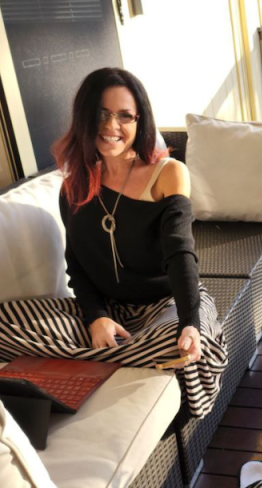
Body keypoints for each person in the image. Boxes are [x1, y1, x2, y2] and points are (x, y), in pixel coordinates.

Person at [0, 67, 228, 418]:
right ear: (84, 119)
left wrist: (190, 322)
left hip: (165, 306)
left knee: (186, 344)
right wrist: (96, 319)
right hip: (108, 313)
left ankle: (100, 359)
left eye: (125, 116)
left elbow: (181, 253)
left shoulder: (167, 174)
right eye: (101, 114)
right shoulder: (73, 187)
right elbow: (76, 264)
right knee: (4, 322)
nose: (111, 126)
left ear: (140, 122)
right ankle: (114, 355)